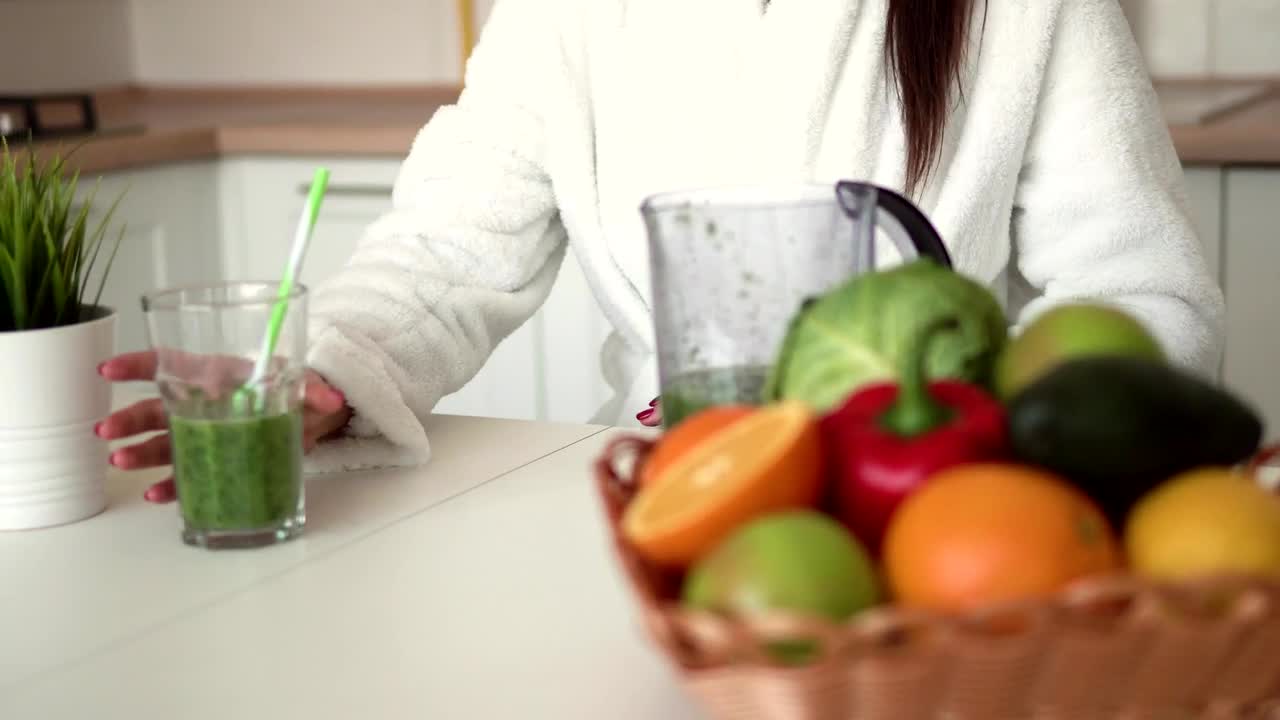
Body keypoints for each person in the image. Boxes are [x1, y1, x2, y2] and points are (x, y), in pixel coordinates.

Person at [97, 0, 1226, 503]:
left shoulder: (1024, 10)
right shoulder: (564, 12)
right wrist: (326, 371)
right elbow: (446, 244)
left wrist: (991, 441)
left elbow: (1139, 294)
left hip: (920, 500)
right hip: (671, 498)